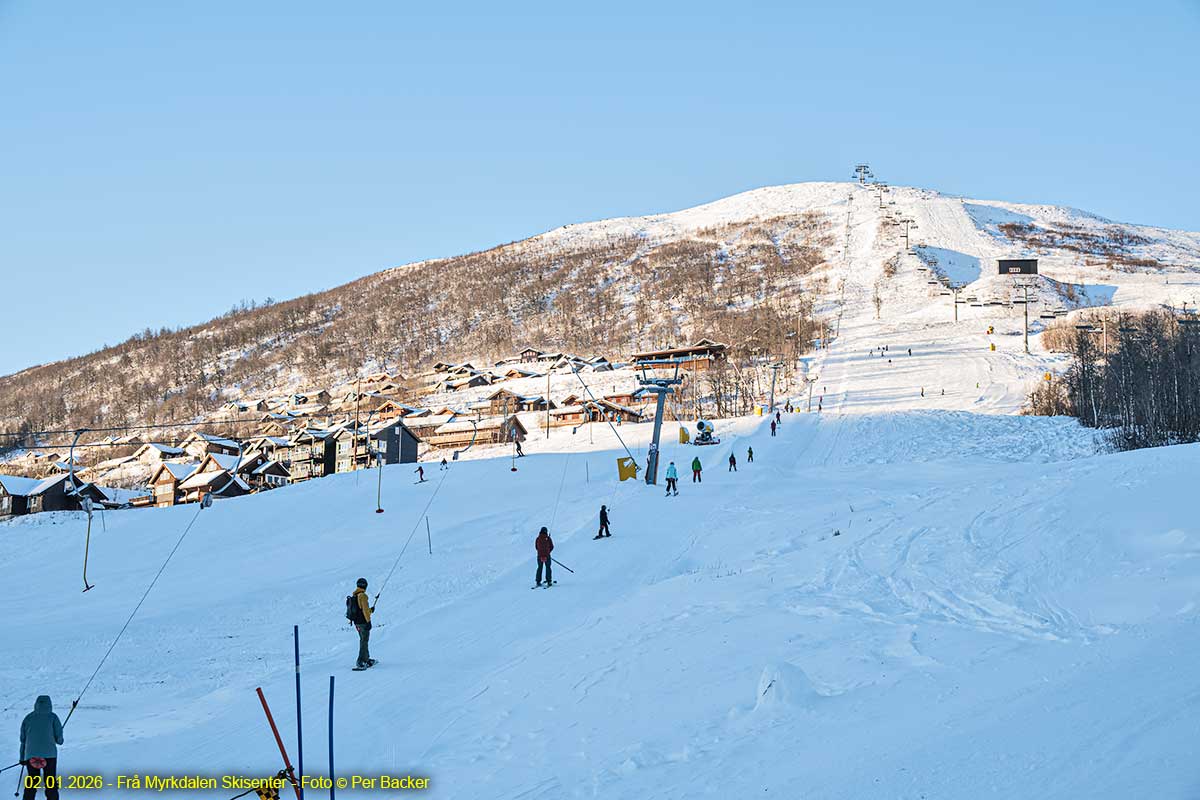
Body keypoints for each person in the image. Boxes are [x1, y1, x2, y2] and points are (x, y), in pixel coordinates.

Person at [19, 695, 63, 800]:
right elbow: (59, 741)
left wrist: (22, 758)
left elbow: (23, 740)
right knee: (50, 782)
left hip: (31, 756)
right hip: (49, 756)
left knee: (32, 782)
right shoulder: (53, 717)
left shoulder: (28, 718)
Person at [349, 578, 375, 670]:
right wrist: (369, 622)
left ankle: (366, 659)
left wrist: (370, 610)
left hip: (357, 622)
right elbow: (364, 610)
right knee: (364, 641)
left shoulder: (355, 596)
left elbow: (362, 610)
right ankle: (360, 661)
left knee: (363, 640)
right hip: (363, 622)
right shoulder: (363, 596)